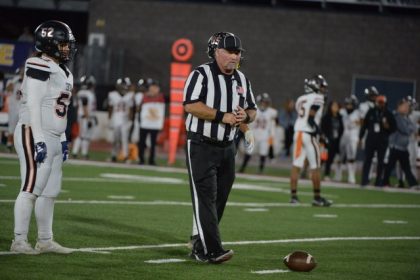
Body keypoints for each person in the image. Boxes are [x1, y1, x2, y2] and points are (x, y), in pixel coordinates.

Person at [183, 32, 256, 263]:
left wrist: (247, 118)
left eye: (238, 52)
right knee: (206, 197)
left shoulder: (242, 79)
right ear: (216, 52)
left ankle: (199, 242)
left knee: (219, 199)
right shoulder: (201, 74)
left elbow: (252, 109)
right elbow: (191, 105)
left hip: (228, 148)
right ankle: (212, 250)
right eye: (230, 52)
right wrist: (220, 116)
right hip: (201, 144)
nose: (235, 56)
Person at [11, 20, 76, 254]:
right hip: (33, 131)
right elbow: (35, 103)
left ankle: (45, 239)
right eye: (63, 43)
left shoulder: (64, 71)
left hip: (54, 135)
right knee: (31, 188)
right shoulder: (38, 63)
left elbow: (59, 109)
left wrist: (61, 139)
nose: (67, 48)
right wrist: (39, 138)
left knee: (50, 191)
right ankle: (19, 240)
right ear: (49, 44)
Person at [290, 75, 332, 207]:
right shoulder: (318, 98)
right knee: (316, 167)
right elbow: (311, 118)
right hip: (308, 133)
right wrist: (321, 133)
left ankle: (294, 197)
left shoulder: (300, 99)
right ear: (315, 86)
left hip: (298, 133)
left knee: (296, 165)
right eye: (321, 86)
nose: (323, 89)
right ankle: (317, 197)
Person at [359, 95, 396, 187]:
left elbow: (394, 128)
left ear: (385, 103)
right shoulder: (371, 111)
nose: (380, 104)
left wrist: (387, 127)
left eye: (381, 102)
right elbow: (364, 126)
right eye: (378, 102)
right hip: (371, 139)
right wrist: (360, 137)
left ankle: (378, 182)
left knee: (381, 162)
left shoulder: (388, 114)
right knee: (367, 160)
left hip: (382, 141)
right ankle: (364, 181)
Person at [381, 98, 418, 188]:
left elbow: (414, 128)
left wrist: (409, 128)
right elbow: (405, 129)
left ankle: (413, 184)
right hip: (395, 146)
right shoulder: (396, 116)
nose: (407, 109)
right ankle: (384, 182)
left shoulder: (406, 117)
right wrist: (409, 129)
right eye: (405, 106)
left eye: (407, 107)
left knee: (406, 167)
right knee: (390, 166)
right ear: (399, 106)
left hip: (403, 147)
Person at [239, 92, 277, 174]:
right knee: (248, 152)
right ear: (259, 101)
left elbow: (272, 125)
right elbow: (249, 123)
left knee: (263, 153)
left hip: (265, 136)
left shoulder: (271, 112)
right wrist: (248, 133)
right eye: (263, 101)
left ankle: (261, 170)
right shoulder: (254, 111)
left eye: (266, 102)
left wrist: (271, 136)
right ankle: (242, 168)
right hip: (254, 135)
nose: (264, 104)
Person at [138, 78, 165, 165]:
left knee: (153, 144)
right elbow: (139, 109)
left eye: (155, 87)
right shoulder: (144, 96)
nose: (154, 89)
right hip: (145, 123)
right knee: (142, 142)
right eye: (152, 87)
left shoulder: (161, 97)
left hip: (154, 124)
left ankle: (151, 160)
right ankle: (141, 159)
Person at [107, 77, 134, 162]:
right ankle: (114, 155)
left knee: (124, 139)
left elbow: (131, 109)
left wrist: (130, 120)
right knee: (115, 139)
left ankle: (126, 156)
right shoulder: (112, 94)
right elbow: (110, 108)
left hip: (125, 120)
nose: (122, 87)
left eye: (123, 85)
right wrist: (109, 119)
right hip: (115, 119)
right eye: (121, 85)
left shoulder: (130, 95)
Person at [71, 75, 97, 159]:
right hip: (86, 117)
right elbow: (85, 106)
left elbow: (77, 106)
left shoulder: (79, 93)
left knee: (81, 135)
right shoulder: (89, 94)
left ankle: (76, 152)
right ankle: (83, 153)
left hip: (82, 116)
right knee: (84, 136)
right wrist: (89, 118)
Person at [339, 95, 361, 184]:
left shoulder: (358, 113)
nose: (348, 106)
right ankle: (338, 174)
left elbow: (361, 125)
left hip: (354, 134)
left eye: (350, 104)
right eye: (347, 104)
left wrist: (360, 138)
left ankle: (351, 176)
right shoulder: (343, 112)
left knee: (351, 156)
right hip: (344, 134)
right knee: (341, 155)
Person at [321, 100, 343, 181]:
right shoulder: (326, 117)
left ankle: (327, 174)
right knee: (322, 158)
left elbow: (341, 129)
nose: (335, 108)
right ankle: (314, 172)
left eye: (336, 106)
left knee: (330, 159)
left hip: (335, 141)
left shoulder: (340, 117)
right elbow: (323, 128)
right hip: (327, 140)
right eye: (334, 106)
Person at [5, 67, 24, 152]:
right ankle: (9, 145)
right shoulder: (12, 81)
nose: (22, 75)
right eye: (21, 73)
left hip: (22, 108)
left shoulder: (26, 83)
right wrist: (16, 79)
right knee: (11, 127)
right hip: (13, 107)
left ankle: (19, 146)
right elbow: (9, 89)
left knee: (21, 128)